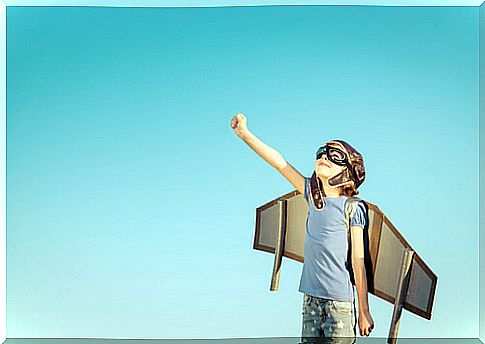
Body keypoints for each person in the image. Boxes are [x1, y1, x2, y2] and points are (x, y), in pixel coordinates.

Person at [230, 112, 374, 343]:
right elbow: (279, 163)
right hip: (310, 299)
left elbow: (358, 261)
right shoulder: (312, 195)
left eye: (335, 155)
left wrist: (364, 311)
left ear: (348, 170)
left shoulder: (353, 207)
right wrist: (245, 135)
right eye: (321, 153)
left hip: (340, 304)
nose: (324, 157)